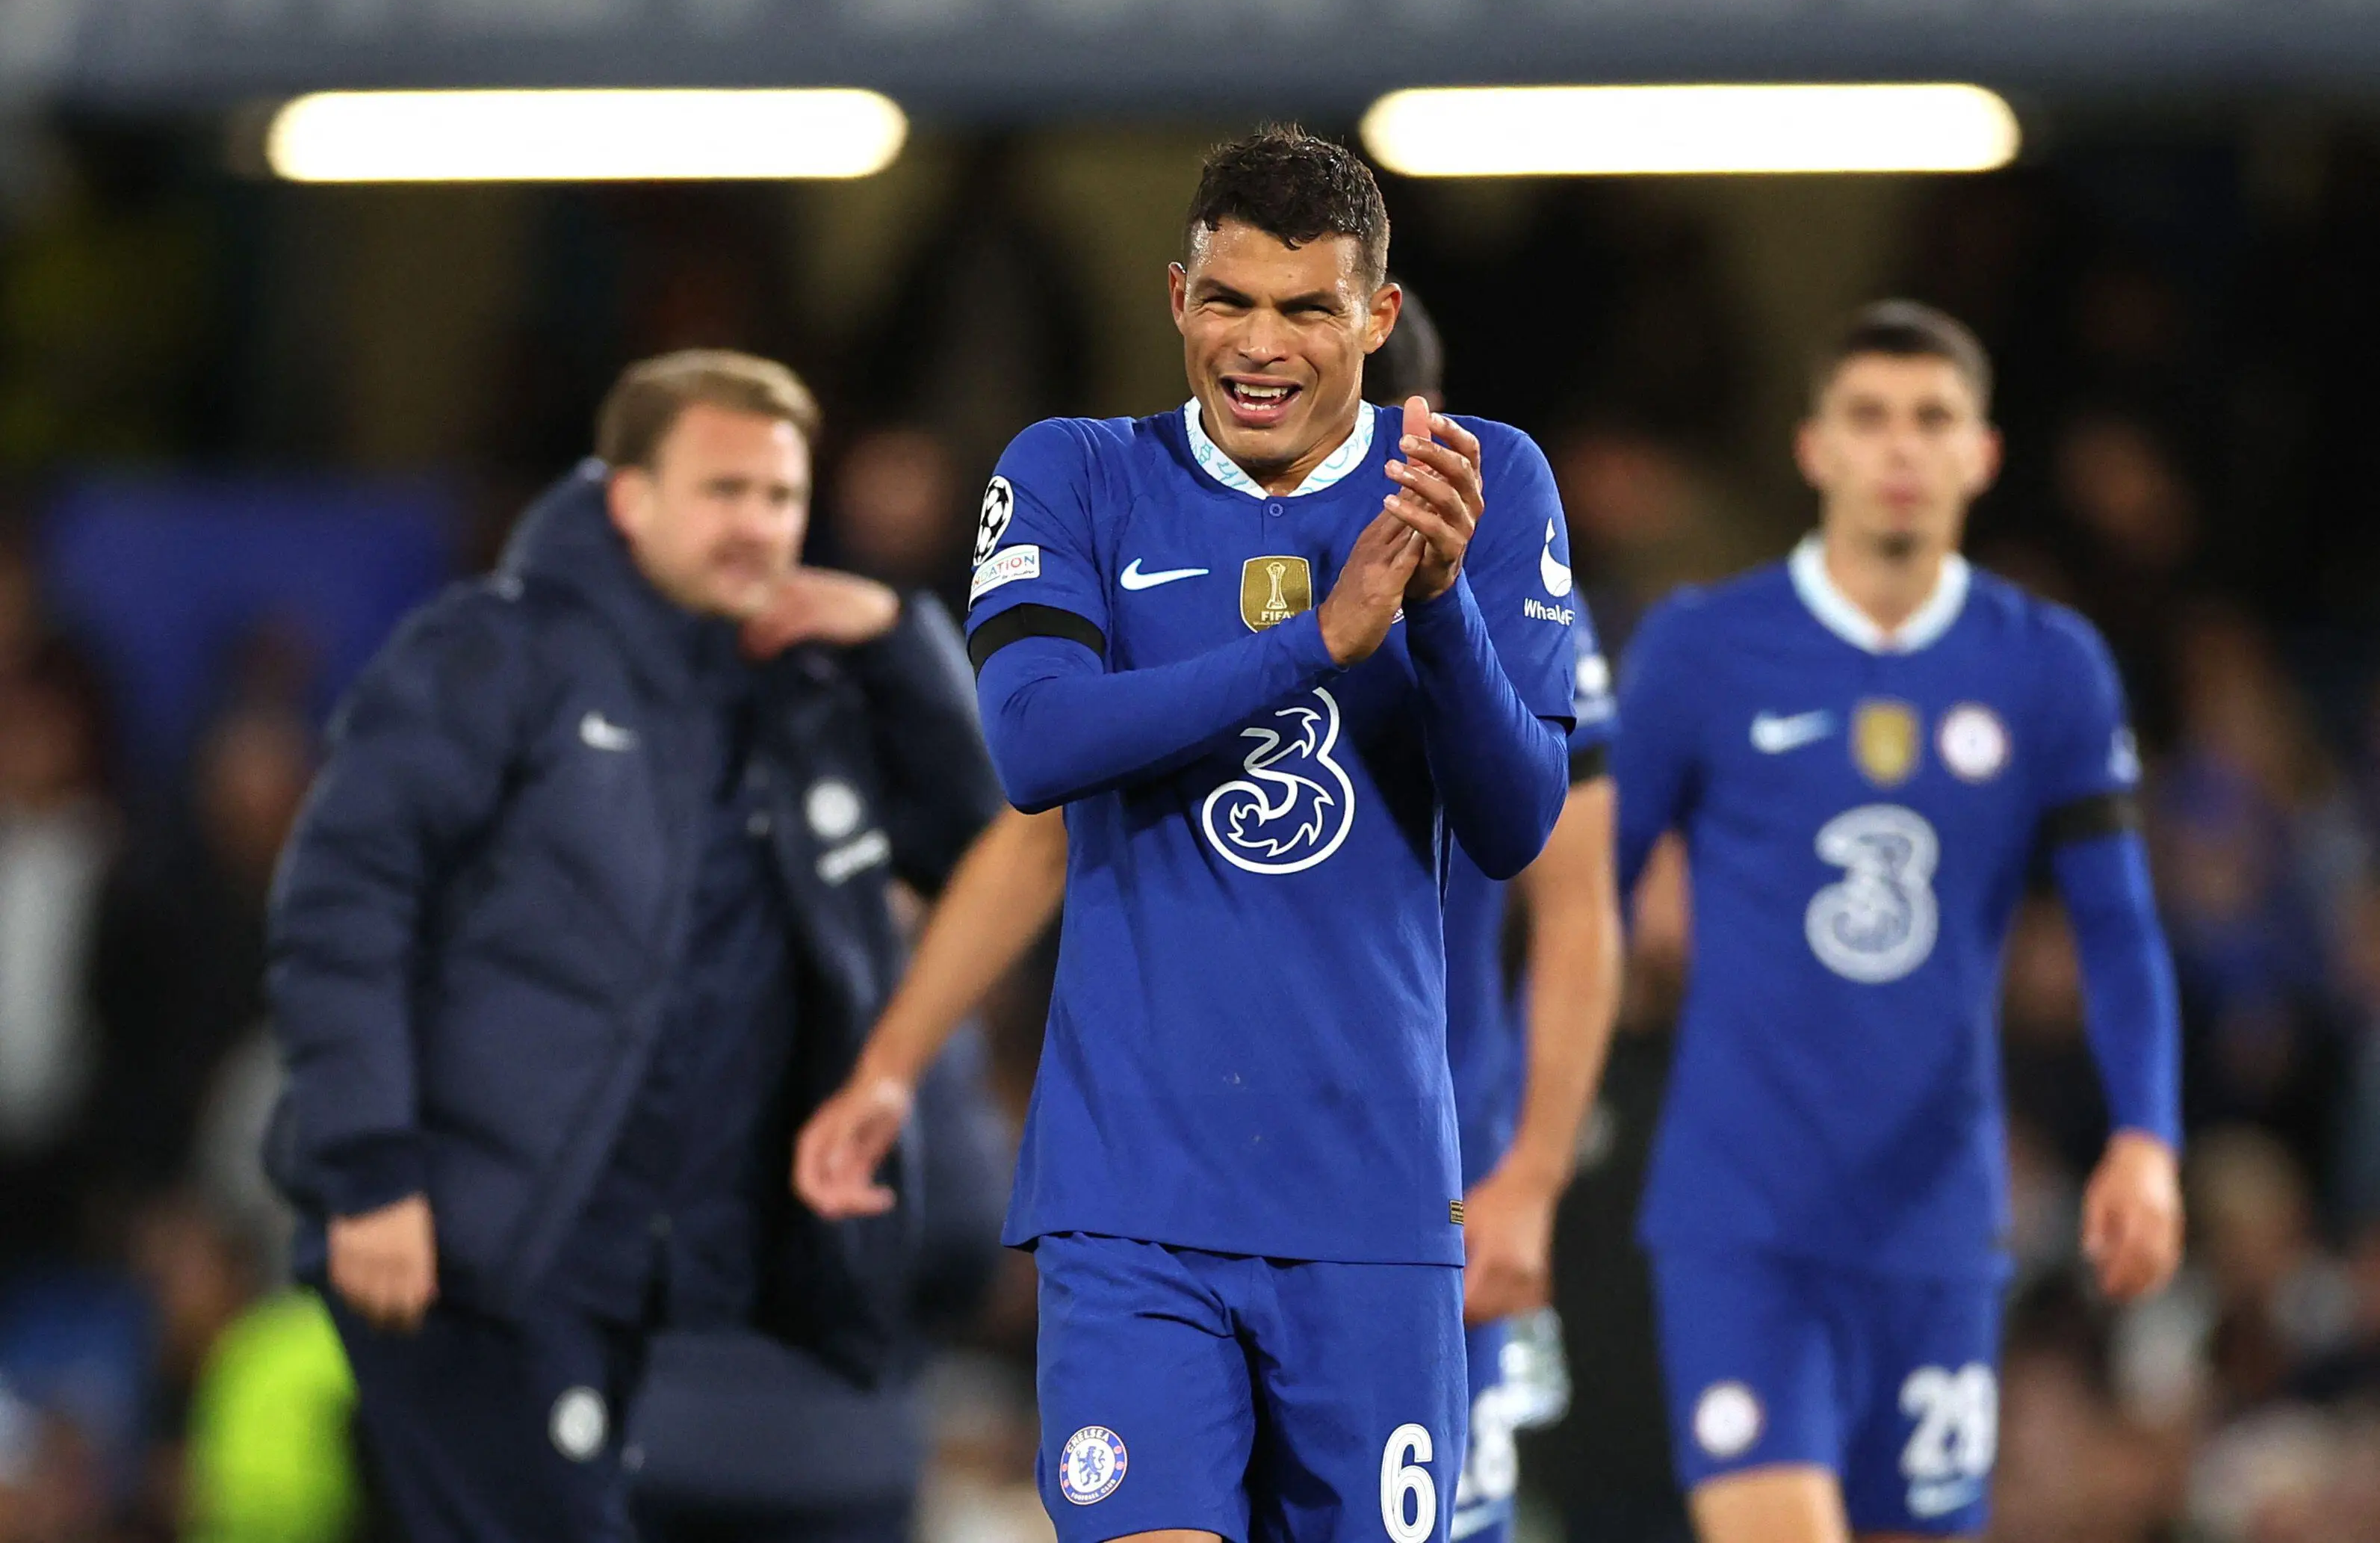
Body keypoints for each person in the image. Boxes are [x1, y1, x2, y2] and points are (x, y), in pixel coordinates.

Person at [799, 124, 1578, 1543]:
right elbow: (1036, 745)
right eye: (1228, 301)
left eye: (1306, 308)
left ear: (1377, 318)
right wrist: (1316, 642)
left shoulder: (1484, 482)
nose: (1259, 345)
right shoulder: (1076, 474)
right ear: (1177, 299)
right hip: (1133, 1197)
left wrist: (1438, 604)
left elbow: (1518, 819)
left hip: (1373, 1201)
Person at [264, 350, 1005, 1542]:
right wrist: (371, 1174)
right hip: (475, 1254)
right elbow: (343, 906)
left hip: (652, 1286)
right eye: (723, 490)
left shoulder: (796, 695)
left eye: (780, 495)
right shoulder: (494, 654)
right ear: (629, 498)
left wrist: (897, 641)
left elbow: (988, 862)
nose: (756, 524)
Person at [1611, 301, 2185, 1543]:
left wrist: (2145, 1135)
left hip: (1934, 1221)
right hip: (1741, 1216)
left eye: (1931, 418)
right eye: (1868, 417)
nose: (1900, 447)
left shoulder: (2047, 667)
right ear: (1813, 446)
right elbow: (1582, 895)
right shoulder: (1703, 648)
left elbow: (2117, 926)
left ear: (1981, 454)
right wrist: (1515, 1129)